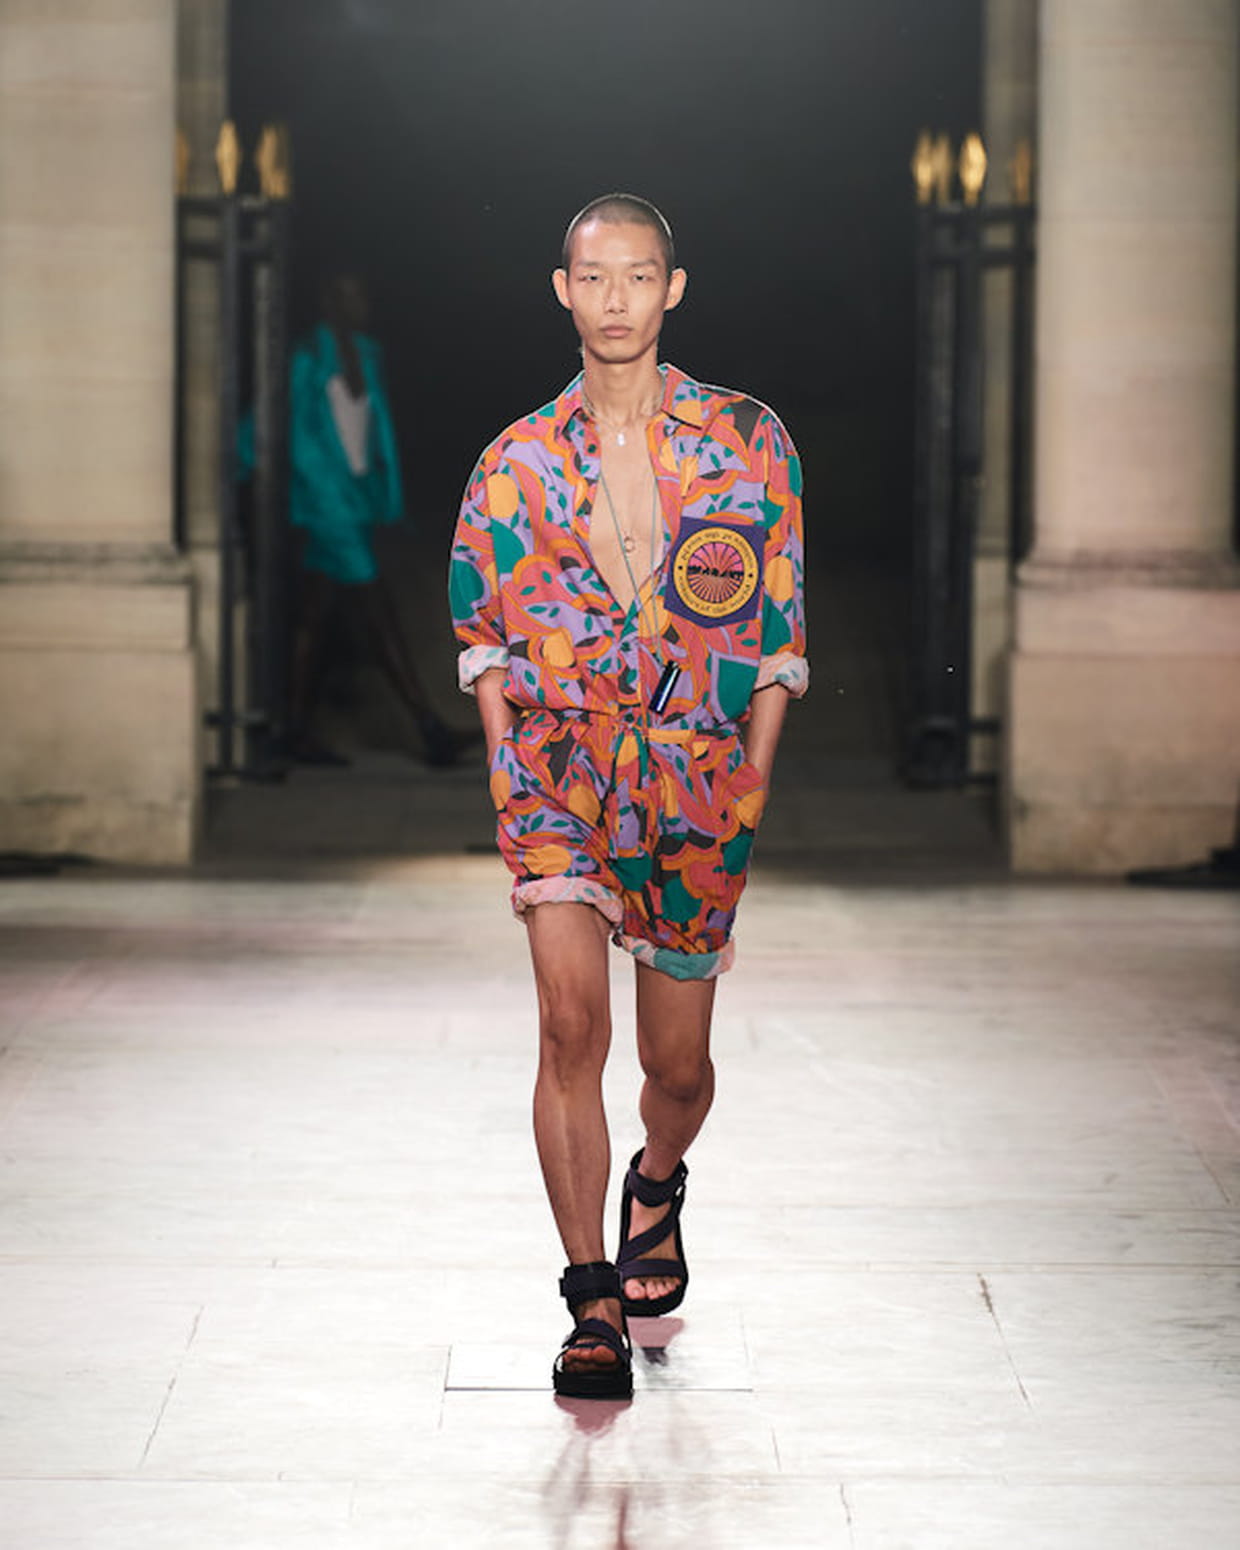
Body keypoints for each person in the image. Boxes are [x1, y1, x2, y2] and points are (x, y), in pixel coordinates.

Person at [449, 195, 807, 1399]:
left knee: (678, 1066)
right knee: (567, 1027)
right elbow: (483, 635)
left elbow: (778, 629)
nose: (615, 299)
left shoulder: (747, 441)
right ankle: (590, 1297)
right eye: (594, 276)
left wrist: (749, 779)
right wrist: (508, 762)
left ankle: (655, 1177)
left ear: (673, 288)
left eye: (638, 275)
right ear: (563, 288)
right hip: (558, 774)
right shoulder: (513, 462)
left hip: (695, 784)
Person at [283, 271, 472, 766]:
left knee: (315, 617)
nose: (361, 302)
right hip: (327, 504)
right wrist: (324, 494)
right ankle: (430, 729)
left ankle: (292, 730)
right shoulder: (308, 356)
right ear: (329, 300)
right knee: (377, 608)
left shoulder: (368, 354)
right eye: (349, 294)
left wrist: (378, 494)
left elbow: (373, 431)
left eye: (362, 293)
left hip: (356, 500)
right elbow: (298, 434)